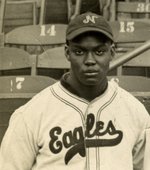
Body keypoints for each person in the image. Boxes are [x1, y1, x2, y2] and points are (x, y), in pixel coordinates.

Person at [0, 12, 150, 170]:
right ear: (67, 53)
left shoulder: (134, 111)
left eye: (99, 52)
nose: (90, 61)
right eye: (79, 52)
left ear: (112, 53)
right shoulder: (32, 114)